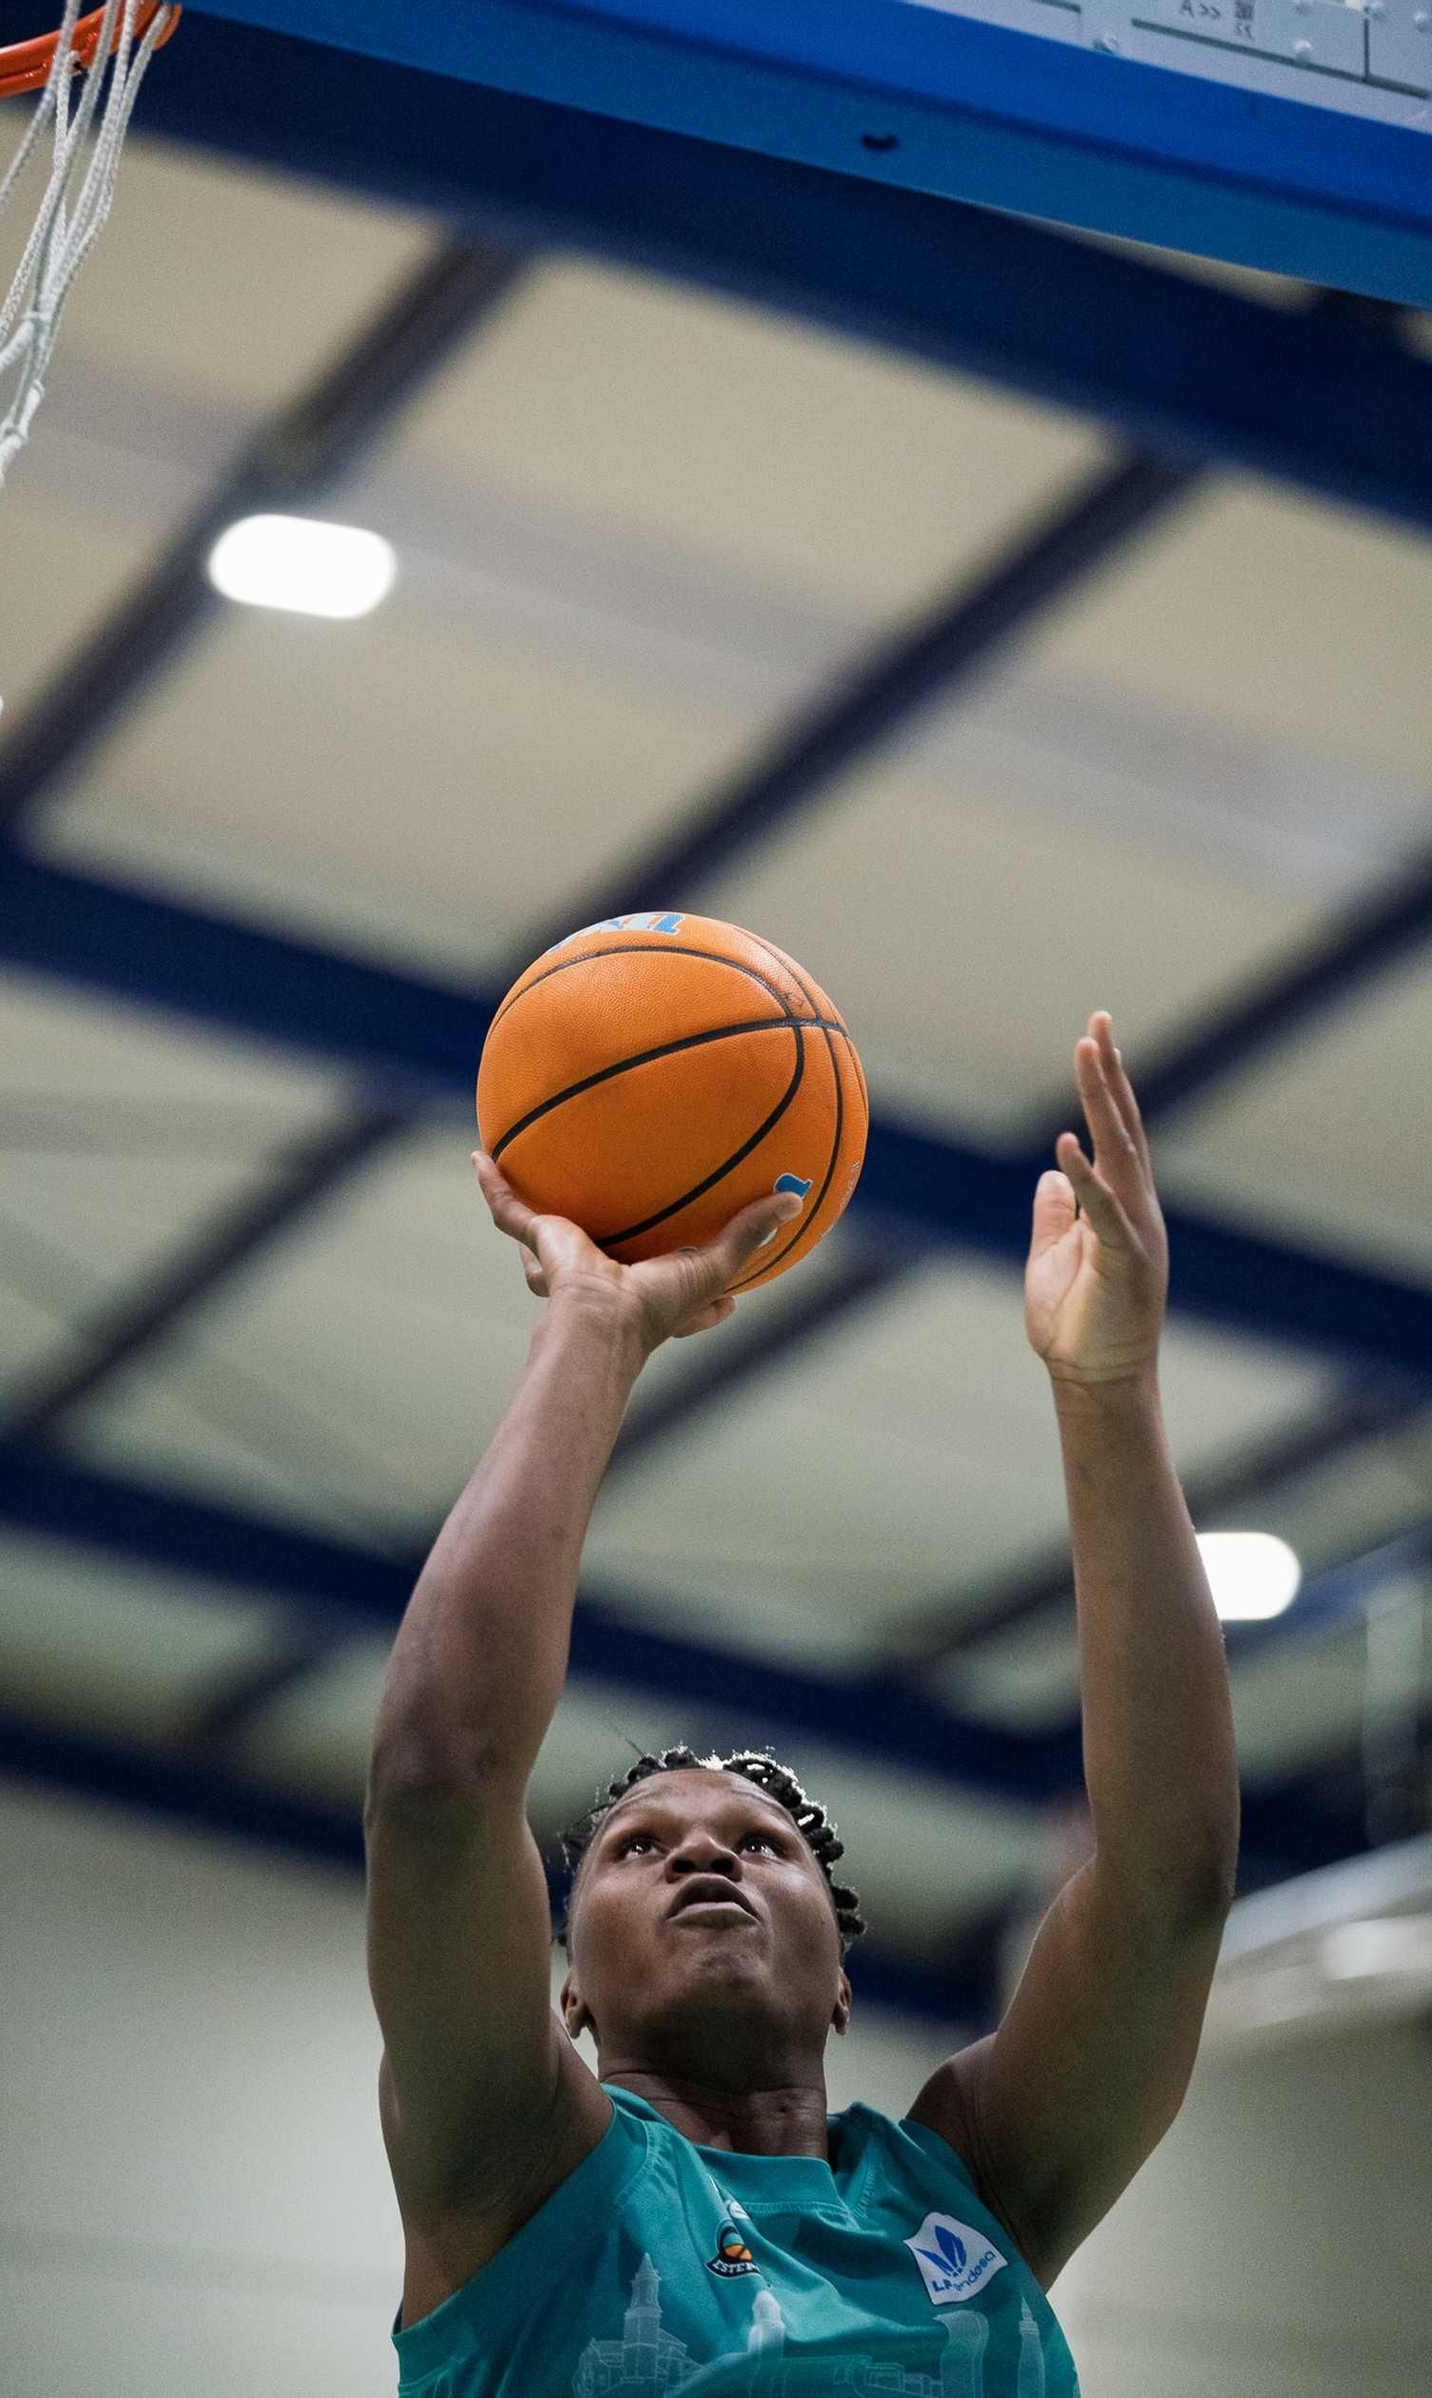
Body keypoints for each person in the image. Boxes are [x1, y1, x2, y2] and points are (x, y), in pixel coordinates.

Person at [365, 1009, 1240, 2395]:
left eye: (762, 1842)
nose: (706, 1845)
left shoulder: (965, 2190)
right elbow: (435, 1778)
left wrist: (1109, 1384)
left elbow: (1169, 1884)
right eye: (638, 1845)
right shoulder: (522, 2168)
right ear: (569, 1987)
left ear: (840, 1976)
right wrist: (597, 1323)